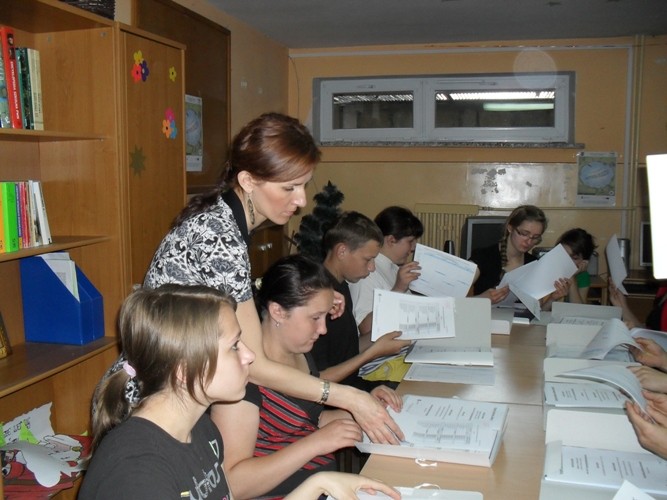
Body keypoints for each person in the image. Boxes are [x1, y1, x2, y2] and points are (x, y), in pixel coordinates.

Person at [110, 113, 402, 444]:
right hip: (152, 403)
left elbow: (237, 301)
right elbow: (256, 365)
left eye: (303, 185)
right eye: (289, 187)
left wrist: (312, 298)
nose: (301, 200)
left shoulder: (226, 218)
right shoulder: (219, 235)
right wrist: (347, 397)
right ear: (248, 181)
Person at [79, 285, 400, 500]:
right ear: (184, 369)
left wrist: (317, 485)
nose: (249, 356)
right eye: (234, 346)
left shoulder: (200, 430)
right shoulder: (137, 472)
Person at [215, 255, 403, 499]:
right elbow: (233, 485)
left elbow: (308, 418)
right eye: (315, 318)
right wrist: (316, 443)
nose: (323, 329)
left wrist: (363, 410)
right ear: (278, 312)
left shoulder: (299, 353)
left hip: (322, 485)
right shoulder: (242, 380)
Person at [312, 211, 413, 390]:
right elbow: (317, 379)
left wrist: (383, 340)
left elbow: (348, 349)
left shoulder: (342, 286)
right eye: (368, 259)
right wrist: (373, 352)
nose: (372, 268)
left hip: (352, 383)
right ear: (342, 251)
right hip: (334, 392)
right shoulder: (316, 296)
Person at [348, 206, 423, 382]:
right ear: (391, 240)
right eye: (410, 241)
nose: (413, 248)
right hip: (380, 364)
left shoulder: (392, 268)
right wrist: (398, 289)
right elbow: (366, 329)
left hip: (402, 354)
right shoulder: (367, 273)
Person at [468, 205, 569, 306]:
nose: (529, 241)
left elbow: (537, 311)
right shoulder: (482, 257)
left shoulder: (533, 264)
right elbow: (458, 302)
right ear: (510, 228)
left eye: (535, 237)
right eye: (524, 234)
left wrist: (552, 298)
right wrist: (481, 299)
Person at [554, 228, 597, 303]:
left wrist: (572, 277)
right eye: (563, 254)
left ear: (584, 262)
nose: (567, 260)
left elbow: (578, 308)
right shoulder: (552, 270)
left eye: (574, 258)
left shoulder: (583, 276)